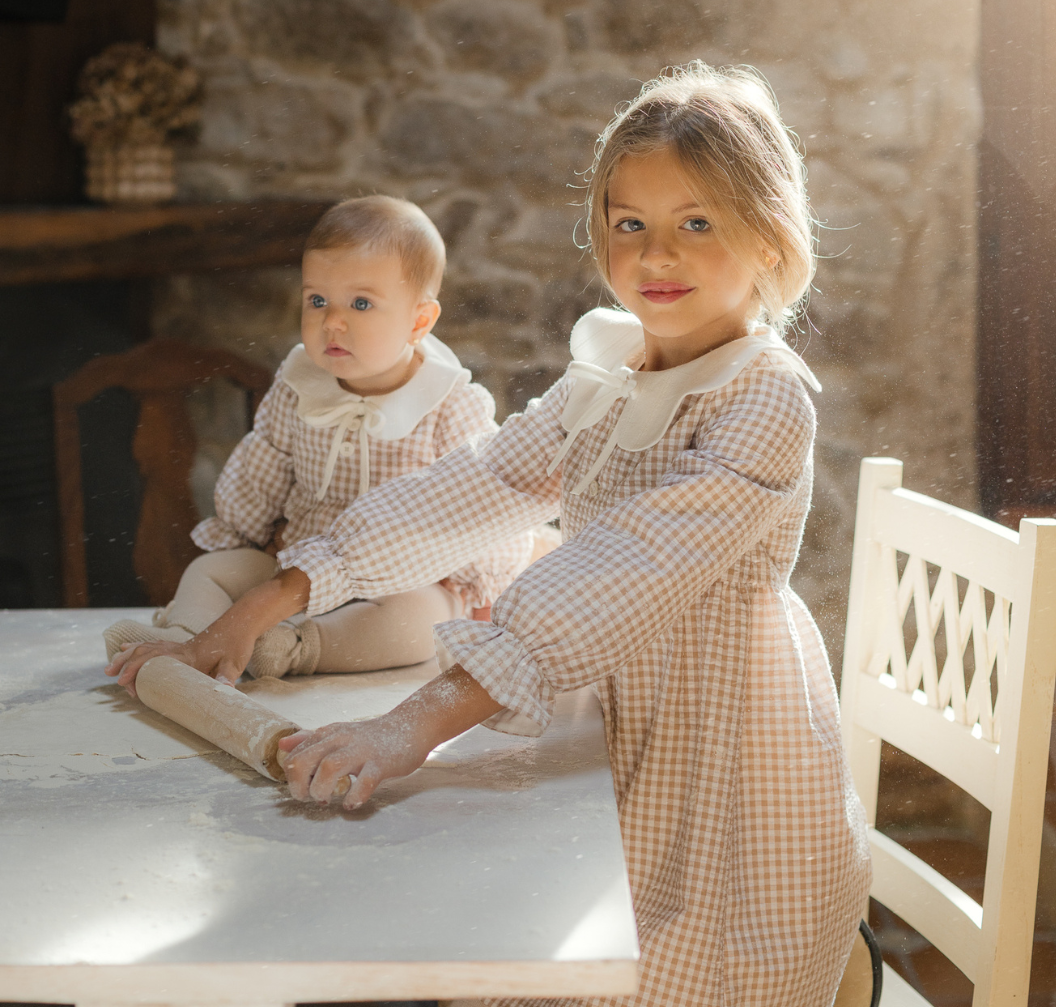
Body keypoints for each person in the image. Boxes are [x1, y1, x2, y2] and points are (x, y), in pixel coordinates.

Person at [110, 62, 871, 1006]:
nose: (655, 255)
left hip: (710, 735)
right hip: (604, 692)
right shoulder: (611, 371)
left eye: (697, 223)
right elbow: (477, 485)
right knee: (475, 907)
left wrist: (409, 726)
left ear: (768, 239)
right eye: (630, 224)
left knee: (655, 964)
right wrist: (274, 596)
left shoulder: (764, 398)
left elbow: (615, 572)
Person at [105, 195, 533, 685]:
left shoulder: (451, 404)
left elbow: (479, 508)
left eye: (361, 303)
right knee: (211, 570)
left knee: (421, 621)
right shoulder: (299, 385)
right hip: (297, 562)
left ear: (419, 321)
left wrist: (475, 585)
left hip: (399, 579)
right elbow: (262, 465)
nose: (333, 321)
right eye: (317, 300)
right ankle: (186, 637)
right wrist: (246, 538)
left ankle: (292, 648)